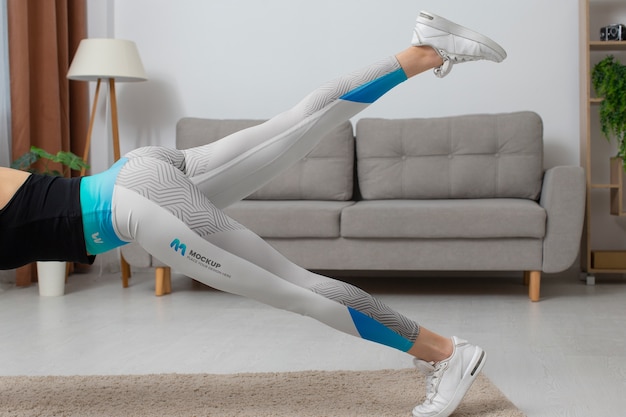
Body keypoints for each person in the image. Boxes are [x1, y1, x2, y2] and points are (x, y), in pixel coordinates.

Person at [0, 11, 506, 417]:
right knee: (298, 122)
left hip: (135, 208)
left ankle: (445, 352)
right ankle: (426, 49)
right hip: (136, 174)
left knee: (294, 287)